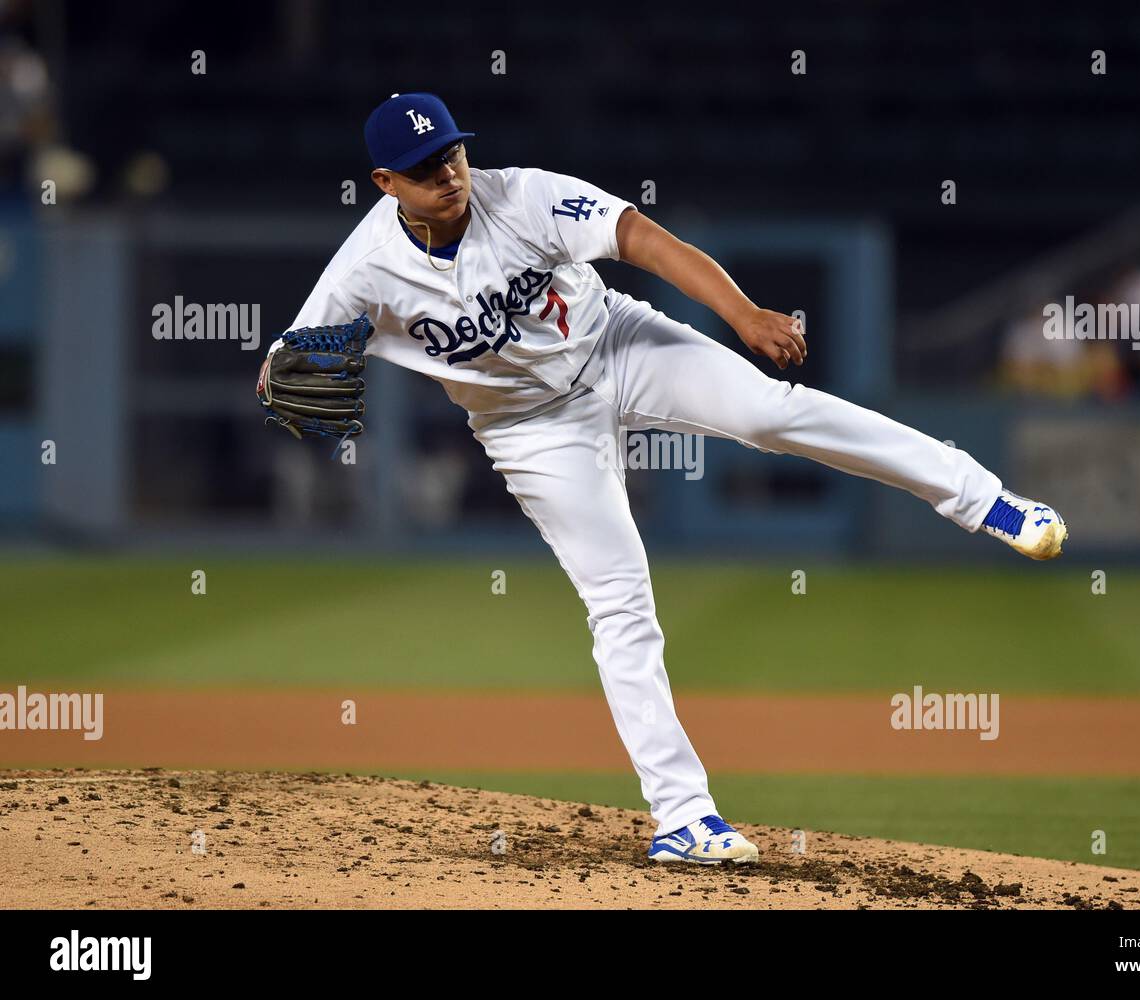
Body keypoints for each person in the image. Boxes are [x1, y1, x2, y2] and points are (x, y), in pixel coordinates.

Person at [266, 93, 1067, 865]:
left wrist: (744, 314)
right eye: (422, 166)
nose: (447, 172)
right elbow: (286, 365)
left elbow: (641, 237)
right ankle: (684, 819)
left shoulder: (524, 196)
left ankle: (979, 497)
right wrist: (276, 380)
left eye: (452, 152)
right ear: (384, 184)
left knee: (772, 414)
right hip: (530, 429)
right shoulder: (365, 269)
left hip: (617, 342)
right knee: (619, 601)